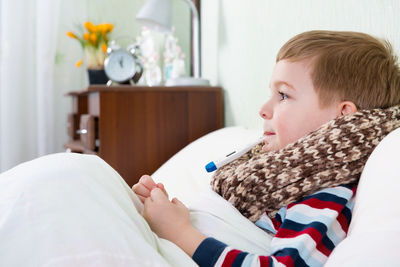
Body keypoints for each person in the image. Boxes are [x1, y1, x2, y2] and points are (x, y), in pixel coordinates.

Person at [133, 30, 400, 266]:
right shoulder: (279, 174)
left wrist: (179, 231)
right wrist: (160, 210)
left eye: (283, 95)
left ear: (341, 116)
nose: (263, 109)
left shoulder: (325, 192)